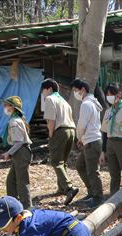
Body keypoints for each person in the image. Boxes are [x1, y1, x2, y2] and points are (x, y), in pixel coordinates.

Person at [41, 78, 79, 206]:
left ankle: (69, 188)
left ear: (49, 89)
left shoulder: (50, 99)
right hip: (71, 130)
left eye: (44, 90)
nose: (43, 93)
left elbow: (51, 120)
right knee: (63, 161)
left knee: (56, 161)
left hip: (60, 131)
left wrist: (51, 135)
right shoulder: (64, 101)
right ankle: (61, 188)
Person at [70, 78, 104, 208]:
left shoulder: (86, 104)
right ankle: (92, 192)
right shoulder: (92, 103)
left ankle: (98, 197)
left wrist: (79, 137)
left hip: (91, 140)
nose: (75, 93)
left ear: (83, 90)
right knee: (81, 166)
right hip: (90, 140)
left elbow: (81, 125)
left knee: (92, 171)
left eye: (75, 90)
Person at [101, 83, 122, 195]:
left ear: (118, 94)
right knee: (113, 174)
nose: (109, 96)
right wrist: (103, 150)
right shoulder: (108, 111)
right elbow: (104, 132)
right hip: (110, 143)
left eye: (111, 94)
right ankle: (113, 201)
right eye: (107, 94)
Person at [1, 96, 33, 209]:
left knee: (22, 182)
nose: (4, 107)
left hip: (21, 152)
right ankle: (13, 205)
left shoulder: (14, 121)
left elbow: (19, 142)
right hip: (19, 152)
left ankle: (27, 207)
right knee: (11, 181)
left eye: (6, 105)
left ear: (13, 108)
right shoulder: (17, 119)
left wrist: (8, 153)